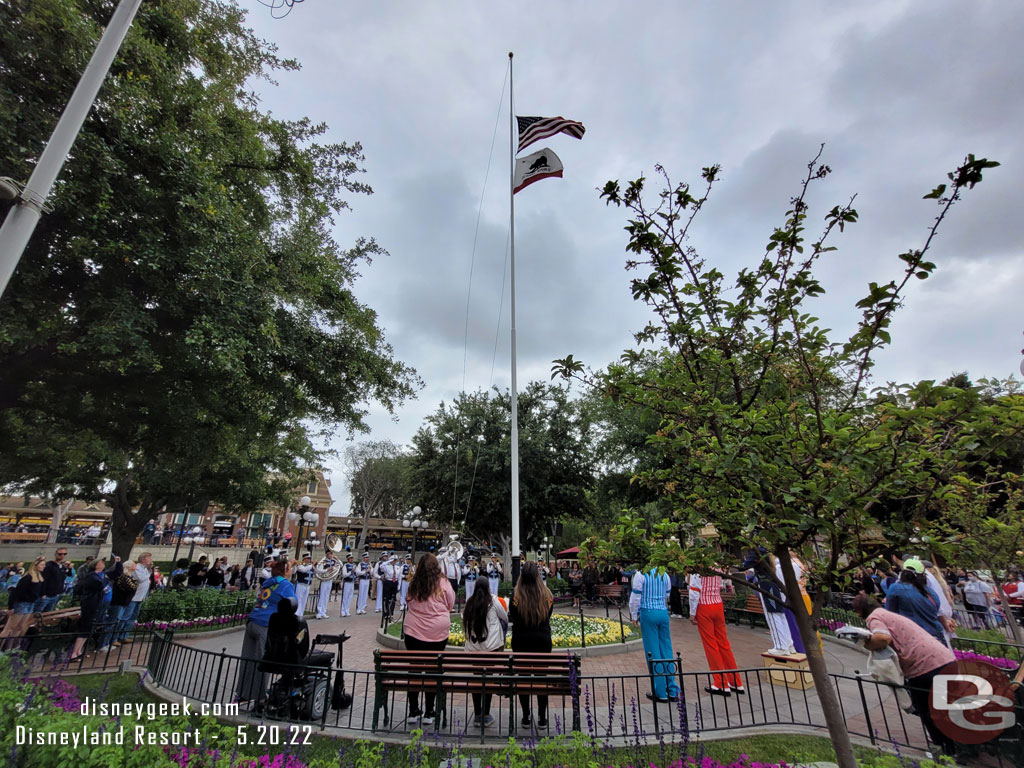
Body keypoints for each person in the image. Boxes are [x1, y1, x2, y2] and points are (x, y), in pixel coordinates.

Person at [851, 593, 956, 755]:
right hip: (942, 658)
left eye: (857, 611)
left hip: (924, 666)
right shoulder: (886, 613)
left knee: (929, 710)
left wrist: (866, 643)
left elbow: (883, 638)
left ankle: (944, 749)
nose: (857, 614)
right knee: (944, 708)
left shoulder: (874, 617)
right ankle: (958, 747)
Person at [403, 553, 456, 726]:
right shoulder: (443, 582)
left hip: (413, 631)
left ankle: (413, 711)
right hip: (437, 633)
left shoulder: (414, 583)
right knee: (433, 670)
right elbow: (450, 603)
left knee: (415, 669)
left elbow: (408, 601)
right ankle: (429, 711)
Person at [236, 559, 296, 704]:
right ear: (286, 571)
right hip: (266, 624)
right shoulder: (285, 584)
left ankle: (242, 695)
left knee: (248, 659)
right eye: (290, 569)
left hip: (253, 620)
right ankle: (260, 698)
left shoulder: (268, 582)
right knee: (264, 661)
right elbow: (293, 605)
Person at [509, 561, 554, 728]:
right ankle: (542, 717)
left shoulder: (515, 596)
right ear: (537, 575)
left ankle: (526, 716)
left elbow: (513, 616)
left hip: (521, 641)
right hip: (542, 640)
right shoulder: (547, 595)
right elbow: (548, 614)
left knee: (523, 678)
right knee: (542, 678)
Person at [629, 565, 680, 703]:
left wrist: (634, 614)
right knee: (666, 649)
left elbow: (635, 597)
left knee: (653, 652)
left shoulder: (641, 574)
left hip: (648, 612)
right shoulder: (664, 574)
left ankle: (660, 691)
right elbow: (667, 595)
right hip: (663, 612)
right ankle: (672, 689)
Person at [463, 578, 507, 727]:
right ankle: (486, 714)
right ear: (488, 587)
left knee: (477, 678)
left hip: (474, 649)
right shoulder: (493, 601)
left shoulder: (469, 603)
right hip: (491, 647)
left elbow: (465, 620)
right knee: (488, 678)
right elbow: (505, 617)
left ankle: (477, 714)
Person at [693, 570, 742, 696]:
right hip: (717, 605)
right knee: (724, 644)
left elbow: (694, 592)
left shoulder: (696, 571)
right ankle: (736, 681)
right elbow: (720, 586)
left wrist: (692, 613)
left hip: (704, 606)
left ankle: (720, 683)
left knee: (711, 645)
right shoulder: (717, 569)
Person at [884, 561, 946, 645]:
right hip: (935, 636)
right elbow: (937, 609)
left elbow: (890, 611)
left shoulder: (896, 588)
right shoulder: (930, 592)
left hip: (912, 637)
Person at [69, 557, 119, 661]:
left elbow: (115, 574)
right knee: (84, 628)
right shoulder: (92, 577)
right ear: (96, 565)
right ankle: (74, 653)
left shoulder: (101, 575)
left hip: (97, 605)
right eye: (101, 562)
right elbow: (100, 584)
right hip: (90, 605)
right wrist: (105, 579)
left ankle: (79, 651)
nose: (103, 564)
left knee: (89, 629)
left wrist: (118, 563)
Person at [0, 556, 45, 650]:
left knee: (19, 627)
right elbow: (16, 592)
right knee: (10, 627)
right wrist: (11, 606)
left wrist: (41, 595)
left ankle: (10, 647)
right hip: (21, 603)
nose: (43, 566)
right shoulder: (27, 578)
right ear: (36, 566)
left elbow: (38, 591)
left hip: (30, 604)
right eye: (42, 565)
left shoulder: (39, 578)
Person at [99, 560, 138, 652]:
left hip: (124, 602)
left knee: (116, 622)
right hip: (118, 602)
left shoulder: (129, 577)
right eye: (133, 564)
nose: (135, 565)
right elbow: (130, 588)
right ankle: (104, 643)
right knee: (112, 622)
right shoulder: (123, 577)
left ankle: (108, 642)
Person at [118, 553, 153, 643]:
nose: (150, 560)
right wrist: (148, 574)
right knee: (126, 617)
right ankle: (117, 636)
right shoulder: (137, 568)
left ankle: (124, 636)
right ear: (143, 559)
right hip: (133, 597)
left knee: (133, 617)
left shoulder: (145, 569)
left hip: (140, 597)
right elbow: (141, 578)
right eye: (148, 558)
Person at [37, 547, 72, 613]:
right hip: (46, 594)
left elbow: (68, 574)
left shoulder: (62, 566)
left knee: (47, 612)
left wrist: (69, 568)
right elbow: (44, 580)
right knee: (37, 612)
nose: (62, 556)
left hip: (56, 594)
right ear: (55, 554)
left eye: (64, 554)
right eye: (60, 554)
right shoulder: (49, 565)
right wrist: (43, 593)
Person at [315, 552, 338, 619]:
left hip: (330, 580)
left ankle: (323, 612)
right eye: (328, 554)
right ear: (326, 554)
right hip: (324, 580)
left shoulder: (333, 561)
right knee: (322, 596)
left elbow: (340, 565)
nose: (330, 555)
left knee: (326, 596)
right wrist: (327, 569)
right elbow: (319, 570)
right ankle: (319, 612)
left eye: (331, 553)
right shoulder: (323, 561)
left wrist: (338, 559)